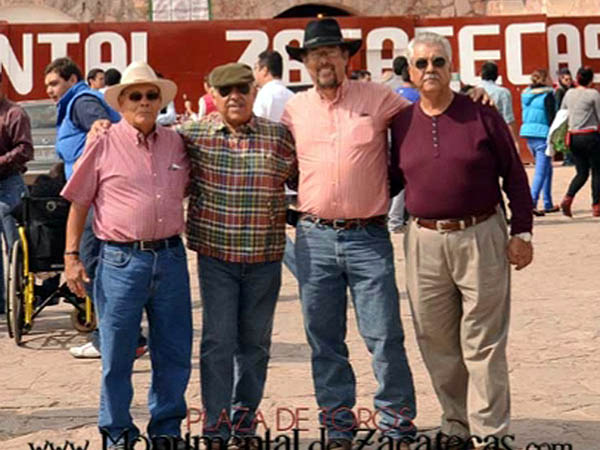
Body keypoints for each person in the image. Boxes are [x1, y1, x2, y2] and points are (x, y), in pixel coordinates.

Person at [391, 32, 534, 450]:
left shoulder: (481, 113)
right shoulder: (401, 123)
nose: (430, 70)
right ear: (410, 71)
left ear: (451, 67)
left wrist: (522, 232)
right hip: (424, 242)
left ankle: (489, 433)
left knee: (483, 341)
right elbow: (389, 179)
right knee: (436, 340)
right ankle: (456, 424)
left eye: (438, 61)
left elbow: (515, 176)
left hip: (481, 236)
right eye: (421, 63)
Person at [281, 18, 418, 449]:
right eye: (315, 54)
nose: (323, 60)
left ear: (345, 57)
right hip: (314, 237)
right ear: (304, 63)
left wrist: (468, 101)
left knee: (384, 336)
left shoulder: (379, 98)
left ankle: (396, 424)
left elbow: (428, 118)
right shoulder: (294, 110)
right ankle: (338, 424)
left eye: (331, 52)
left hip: (368, 238)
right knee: (323, 339)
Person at [62, 61, 192, 450]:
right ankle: (117, 433)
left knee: (173, 352)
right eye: (135, 95)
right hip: (121, 261)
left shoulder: (176, 143)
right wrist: (71, 256)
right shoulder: (102, 141)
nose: (144, 102)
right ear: (121, 102)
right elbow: (79, 202)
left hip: (170, 258)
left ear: (159, 101)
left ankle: (166, 431)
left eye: (151, 95)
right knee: (118, 356)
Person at [177, 62, 297, 446]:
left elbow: (308, 173)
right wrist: (104, 126)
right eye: (225, 90)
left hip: (264, 258)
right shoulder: (192, 135)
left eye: (242, 89)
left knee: (255, 346)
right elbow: (144, 139)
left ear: (253, 91)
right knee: (217, 342)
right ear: (212, 95)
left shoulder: (279, 136)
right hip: (217, 259)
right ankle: (216, 425)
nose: (235, 97)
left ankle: (243, 422)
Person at [44, 57, 144, 360]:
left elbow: (103, 128)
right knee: (99, 271)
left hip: (96, 198)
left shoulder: (82, 102)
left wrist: (97, 132)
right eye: (47, 85)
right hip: (92, 196)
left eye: (54, 83)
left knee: (92, 269)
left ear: (73, 80)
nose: (50, 90)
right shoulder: (73, 104)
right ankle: (123, 338)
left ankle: (115, 339)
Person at [252, 50, 297, 277]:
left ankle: (304, 274)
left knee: (273, 231)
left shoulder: (265, 96)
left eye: (255, 68)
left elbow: (254, 131)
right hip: (290, 170)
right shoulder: (291, 95)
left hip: (268, 172)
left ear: (264, 69)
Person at [0, 71, 33, 315]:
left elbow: (25, 150)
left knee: (15, 247)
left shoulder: (14, 113)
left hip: (9, 185)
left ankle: (20, 304)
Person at [559, 66, 600, 217]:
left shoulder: (569, 93)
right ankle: (596, 205)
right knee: (597, 171)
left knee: (581, 173)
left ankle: (568, 197)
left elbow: (562, 113)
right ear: (591, 79)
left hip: (573, 136)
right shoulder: (593, 94)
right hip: (590, 136)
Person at [520, 68, 558, 216]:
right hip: (543, 133)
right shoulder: (548, 95)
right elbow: (551, 117)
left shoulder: (526, 94)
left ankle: (548, 202)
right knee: (541, 171)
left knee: (547, 168)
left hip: (529, 133)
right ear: (545, 79)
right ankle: (532, 202)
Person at [478, 61, 519, 146]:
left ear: (481, 74)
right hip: (496, 134)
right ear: (496, 76)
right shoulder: (503, 92)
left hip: (477, 133)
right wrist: (515, 141)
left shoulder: (472, 91)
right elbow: (508, 119)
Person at [555, 68, 575, 166]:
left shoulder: (573, 89)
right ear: (561, 79)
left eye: (570, 79)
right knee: (565, 139)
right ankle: (568, 159)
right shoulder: (560, 91)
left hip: (572, 118)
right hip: (565, 118)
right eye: (566, 80)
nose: (568, 82)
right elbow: (558, 107)